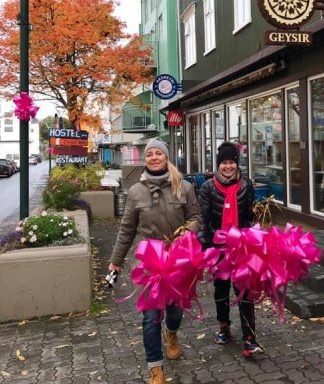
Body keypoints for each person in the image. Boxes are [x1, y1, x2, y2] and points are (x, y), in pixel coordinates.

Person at [108, 139, 200, 384]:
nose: (155, 157)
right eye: (150, 154)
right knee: (150, 316)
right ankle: (155, 366)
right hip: (149, 260)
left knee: (175, 310)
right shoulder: (136, 191)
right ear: (145, 159)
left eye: (159, 153)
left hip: (178, 259)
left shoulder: (185, 186)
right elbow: (127, 229)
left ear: (167, 157)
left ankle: (172, 333)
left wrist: (186, 232)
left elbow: (195, 217)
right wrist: (116, 261)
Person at [197, 141, 264, 357]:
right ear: (218, 165)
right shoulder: (208, 187)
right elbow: (203, 219)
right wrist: (205, 247)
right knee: (221, 290)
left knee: (245, 291)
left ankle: (249, 338)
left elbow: (251, 217)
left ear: (236, 164)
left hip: (241, 247)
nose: (228, 166)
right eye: (224, 163)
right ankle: (224, 326)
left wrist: (257, 231)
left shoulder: (246, 185)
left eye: (231, 162)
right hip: (218, 248)